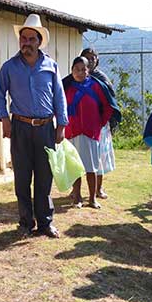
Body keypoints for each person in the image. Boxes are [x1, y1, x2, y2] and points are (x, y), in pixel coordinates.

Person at [0, 14, 67, 238]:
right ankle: (26, 222)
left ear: (39, 41)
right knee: (23, 176)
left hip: (46, 127)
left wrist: (61, 124)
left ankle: (45, 222)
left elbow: (59, 97)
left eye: (31, 39)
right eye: (23, 38)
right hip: (20, 127)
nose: (26, 42)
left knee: (45, 176)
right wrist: (5, 120)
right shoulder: (9, 67)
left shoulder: (50, 65)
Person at [63, 56, 114, 209]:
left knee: (91, 167)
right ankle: (77, 196)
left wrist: (99, 123)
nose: (79, 72)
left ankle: (92, 198)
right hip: (72, 131)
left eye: (83, 69)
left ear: (88, 71)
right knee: (75, 166)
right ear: (71, 71)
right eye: (76, 69)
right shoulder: (66, 87)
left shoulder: (96, 87)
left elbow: (107, 107)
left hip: (91, 133)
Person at [80, 47, 116, 200]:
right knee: (79, 156)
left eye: (94, 57)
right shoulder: (76, 77)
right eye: (88, 57)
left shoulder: (102, 78)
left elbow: (110, 102)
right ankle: (76, 191)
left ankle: (98, 189)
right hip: (81, 125)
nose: (91, 60)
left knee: (99, 157)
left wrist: (105, 120)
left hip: (100, 125)